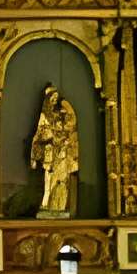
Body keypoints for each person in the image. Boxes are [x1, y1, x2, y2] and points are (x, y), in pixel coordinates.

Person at [30, 82, 82, 216]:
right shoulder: (45, 116)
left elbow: (71, 124)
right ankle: (46, 204)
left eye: (56, 98)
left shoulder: (61, 115)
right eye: (52, 98)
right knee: (48, 181)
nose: (54, 101)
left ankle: (59, 206)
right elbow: (39, 135)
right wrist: (34, 156)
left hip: (61, 153)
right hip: (50, 153)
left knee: (62, 181)